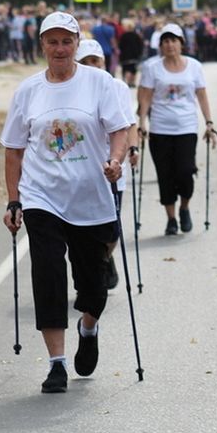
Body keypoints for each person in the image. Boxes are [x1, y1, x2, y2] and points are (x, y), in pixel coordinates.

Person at [0, 11, 131, 394]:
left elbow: (119, 129)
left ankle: (88, 327)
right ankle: (56, 363)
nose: (59, 48)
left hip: (90, 195)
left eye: (66, 41)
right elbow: (13, 149)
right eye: (52, 41)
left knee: (93, 283)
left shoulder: (98, 82)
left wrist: (116, 161)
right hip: (43, 196)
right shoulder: (28, 91)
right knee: (48, 273)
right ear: (42, 44)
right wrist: (14, 200)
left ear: (76, 44)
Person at [137, 23, 217, 236]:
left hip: (186, 127)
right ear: (161, 46)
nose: (169, 45)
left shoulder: (194, 66)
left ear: (181, 43)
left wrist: (209, 122)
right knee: (165, 175)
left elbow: (201, 94)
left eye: (173, 40)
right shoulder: (152, 68)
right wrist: (142, 123)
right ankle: (171, 218)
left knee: (185, 171)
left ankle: (184, 207)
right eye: (165, 41)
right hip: (160, 128)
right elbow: (145, 95)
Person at [76, 38, 140, 289]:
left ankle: (103, 258)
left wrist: (132, 147)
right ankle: (92, 266)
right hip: (82, 168)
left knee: (112, 229)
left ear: (104, 63)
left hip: (113, 168)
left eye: (96, 61)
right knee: (84, 228)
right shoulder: (72, 90)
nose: (92, 66)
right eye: (86, 62)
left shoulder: (118, 87)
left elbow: (129, 124)